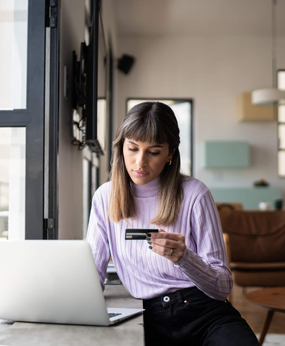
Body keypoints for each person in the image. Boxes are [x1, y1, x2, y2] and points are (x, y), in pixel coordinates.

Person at [86, 101, 259, 346]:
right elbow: (92, 274)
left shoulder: (195, 194)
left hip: (205, 312)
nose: (140, 162)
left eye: (154, 152)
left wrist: (184, 258)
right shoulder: (105, 197)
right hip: (147, 318)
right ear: (120, 147)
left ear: (170, 153)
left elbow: (222, 287)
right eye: (132, 148)